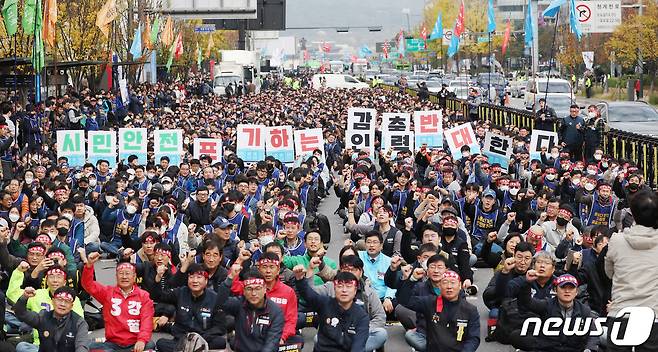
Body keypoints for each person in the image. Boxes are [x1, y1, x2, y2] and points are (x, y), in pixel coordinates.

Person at [605, 190, 658, 351]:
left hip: (621, 312)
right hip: (653, 315)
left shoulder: (617, 240)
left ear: (632, 214)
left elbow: (609, 273)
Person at [80, 251, 155, 352]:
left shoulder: (144, 296)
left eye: (128, 274)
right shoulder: (107, 293)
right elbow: (88, 284)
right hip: (112, 344)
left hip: (135, 343)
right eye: (121, 274)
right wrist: (89, 265)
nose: (124, 277)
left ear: (134, 277)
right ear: (116, 276)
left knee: (150, 345)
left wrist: (142, 340)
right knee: (88, 346)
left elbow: (147, 320)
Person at [151, 263, 227, 352]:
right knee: (161, 343)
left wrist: (199, 338)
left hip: (203, 339)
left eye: (199, 277)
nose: (195, 281)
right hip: (181, 339)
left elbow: (220, 327)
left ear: (206, 281)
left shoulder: (215, 298)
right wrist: (158, 278)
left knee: (221, 342)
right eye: (191, 277)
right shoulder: (180, 292)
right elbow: (158, 296)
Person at [514, 273, 598, 351]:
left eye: (571, 288)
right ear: (555, 290)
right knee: (516, 335)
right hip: (548, 349)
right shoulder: (546, 304)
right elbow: (527, 303)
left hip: (573, 349)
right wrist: (527, 283)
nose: (567, 291)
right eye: (563, 287)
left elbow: (593, 333)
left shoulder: (584, 310)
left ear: (576, 292)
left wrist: (589, 349)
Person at [399, 270, 480, 352]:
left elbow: (473, 339)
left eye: (452, 282)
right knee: (410, 336)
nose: (449, 286)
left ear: (459, 286)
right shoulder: (429, 303)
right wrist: (412, 279)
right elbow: (404, 300)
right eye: (445, 282)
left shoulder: (470, 310)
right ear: (440, 286)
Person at [293, 266, 370, 352]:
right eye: (340, 286)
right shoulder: (325, 303)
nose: (344, 290)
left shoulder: (362, 316)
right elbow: (308, 295)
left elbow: (358, 346)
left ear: (355, 290)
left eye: (348, 286)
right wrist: (299, 278)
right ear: (334, 288)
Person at [219, 265, 284, 352]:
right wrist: (230, 278)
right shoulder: (239, 304)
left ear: (265, 289)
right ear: (244, 291)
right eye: (249, 289)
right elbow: (221, 303)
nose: (253, 293)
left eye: (258, 289)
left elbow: (271, 343)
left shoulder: (276, 311)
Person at [13, 286, 89, 352]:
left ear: (72, 306)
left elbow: (82, 347)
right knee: (22, 346)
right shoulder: (43, 316)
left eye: (67, 301)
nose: (62, 304)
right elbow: (21, 313)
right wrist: (24, 297)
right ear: (52, 301)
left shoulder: (80, 323)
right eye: (59, 299)